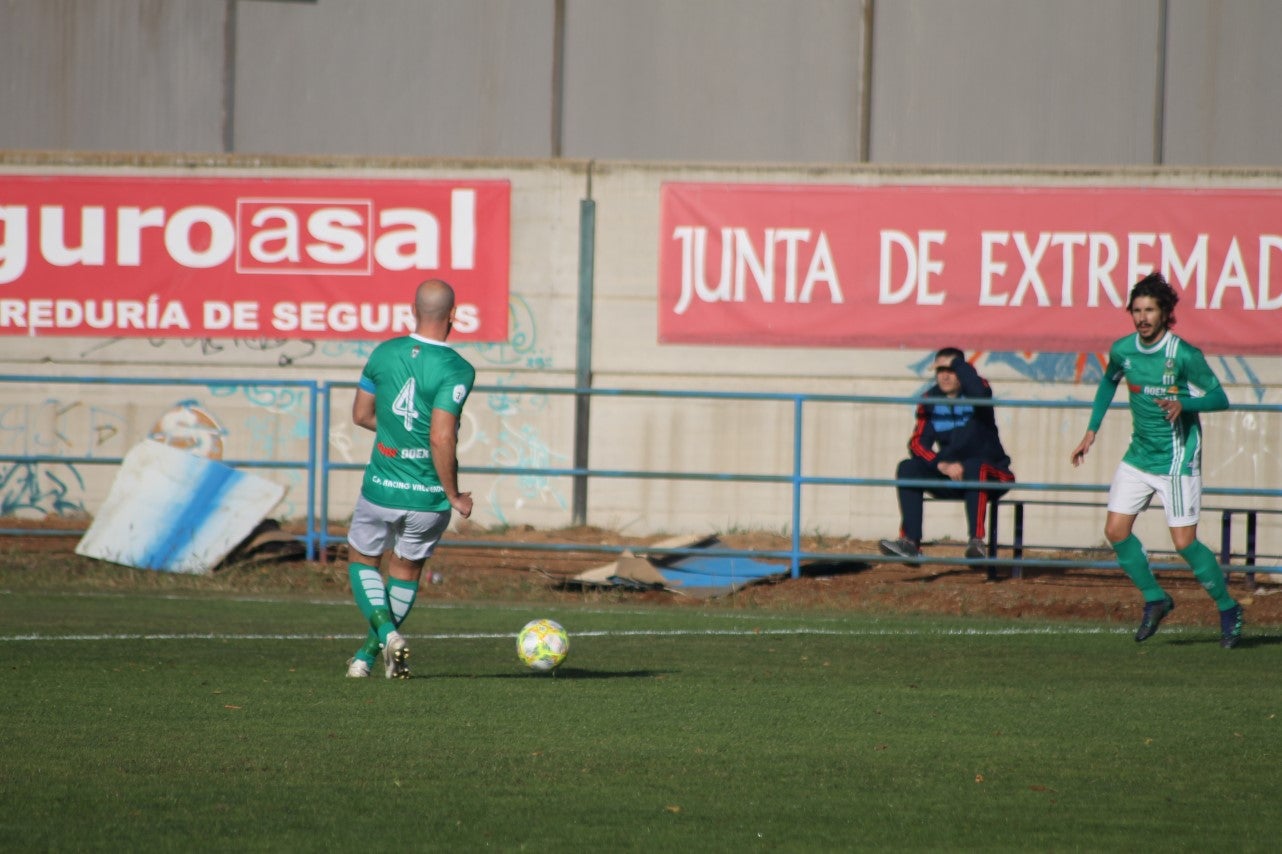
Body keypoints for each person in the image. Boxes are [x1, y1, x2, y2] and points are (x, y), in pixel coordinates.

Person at [1070, 272, 1242, 648]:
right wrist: (1091, 430)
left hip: (1177, 458)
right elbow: (1108, 381)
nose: (1142, 317)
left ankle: (1228, 608)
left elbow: (1220, 398)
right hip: (1139, 454)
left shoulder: (1183, 354)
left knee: (1184, 542)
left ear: (1166, 313)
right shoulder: (1123, 350)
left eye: (1150, 310)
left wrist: (1186, 404)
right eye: (1136, 310)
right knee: (1115, 531)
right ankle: (1156, 598)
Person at [344, 279, 476, 678]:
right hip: (427, 497)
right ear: (454, 315)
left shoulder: (383, 354)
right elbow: (440, 436)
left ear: (412, 309)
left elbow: (362, 415)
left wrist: (396, 440)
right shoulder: (457, 369)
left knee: (362, 561)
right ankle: (372, 653)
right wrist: (453, 494)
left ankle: (379, 642)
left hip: (381, 487)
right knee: (405, 571)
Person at [879, 347, 1015, 565]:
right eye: (940, 369)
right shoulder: (929, 399)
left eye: (950, 370)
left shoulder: (978, 392)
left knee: (975, 466)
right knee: (908, 468)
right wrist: (940, 464)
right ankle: (910, 543)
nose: (945, 375)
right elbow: (916, 443)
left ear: (962, 371)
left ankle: (976, 541)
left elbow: (979, 392)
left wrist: (959, 364)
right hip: (952, 475)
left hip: (993, 474)